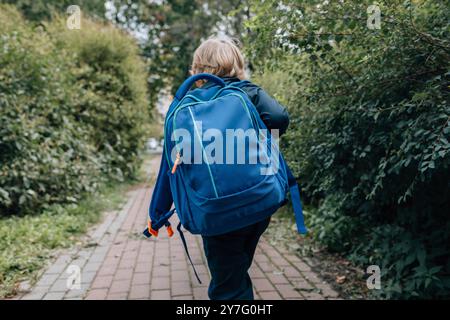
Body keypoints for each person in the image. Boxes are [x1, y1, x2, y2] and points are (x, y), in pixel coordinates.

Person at [188, 36, 290, 300]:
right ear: (236, 64)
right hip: (258, 201)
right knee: (236, 268)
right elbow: (279, 118)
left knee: (227, 283)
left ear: (198, 69)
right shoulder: (247, 93)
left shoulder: (191, 104)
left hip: (216, 210)